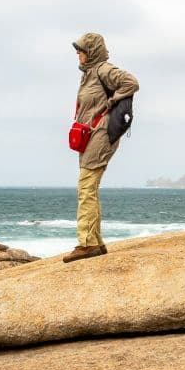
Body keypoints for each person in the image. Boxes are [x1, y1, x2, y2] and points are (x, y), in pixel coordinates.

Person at [63, 32, 139, 263]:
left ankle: (87, 244)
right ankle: (94, 242)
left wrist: (111, 103)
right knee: (89, 188)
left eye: (81, 50)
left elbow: (131, 83)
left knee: (85, 187)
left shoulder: (104, 70)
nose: (78, 53)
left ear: (92, 51)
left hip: (101, 135)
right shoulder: (89, 74)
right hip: (91, 136)